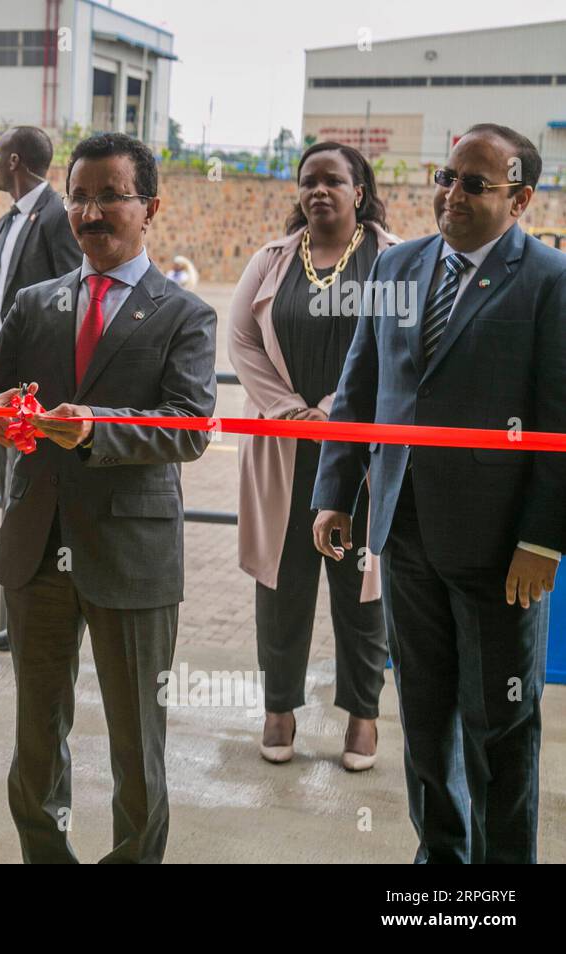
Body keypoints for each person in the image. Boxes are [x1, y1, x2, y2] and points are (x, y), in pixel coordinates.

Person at [313, 124, 566, 863]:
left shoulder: (550, 281)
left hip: (500, 550)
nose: (451, 195)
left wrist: (543, 540)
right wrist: (336, 491)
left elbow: (561, 421)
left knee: (500, 727)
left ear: (520, 199)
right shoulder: (399, 265)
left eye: (474, 185)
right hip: (405, 533)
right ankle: (442, 863)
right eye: (446, 177)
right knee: (424, 717)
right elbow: (362, 385)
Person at [0, 132, 217, 863]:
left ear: (151, 208)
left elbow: (189, 426)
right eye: (80, 196)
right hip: (36, 547)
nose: (91, 211)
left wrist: (94, 431)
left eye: (111, 196)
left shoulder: (185, 315)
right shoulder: (36, 303)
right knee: (35, 740)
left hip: (129, 555)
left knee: (137, 742)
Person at [229, 142, 398, 771]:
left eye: (334, 180)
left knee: (361, 589)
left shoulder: (393, 258)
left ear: (360, 190)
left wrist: (337, 410)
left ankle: (362, 716)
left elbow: (400, 344)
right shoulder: (271, 260)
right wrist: (288, 408)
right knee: (282, 584)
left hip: (360, 452)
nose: (319, 191)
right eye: (308, 181)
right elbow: (242, 338)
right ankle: (279, 709)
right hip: (286, 447)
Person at [0, 125, 81, 652]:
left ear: (14, 160)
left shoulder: (57, 216)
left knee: (26, 496)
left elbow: (72, 294)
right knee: (11, 498)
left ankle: (27, 620)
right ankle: (14, 621)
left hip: (33, 384)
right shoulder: (6, 220)